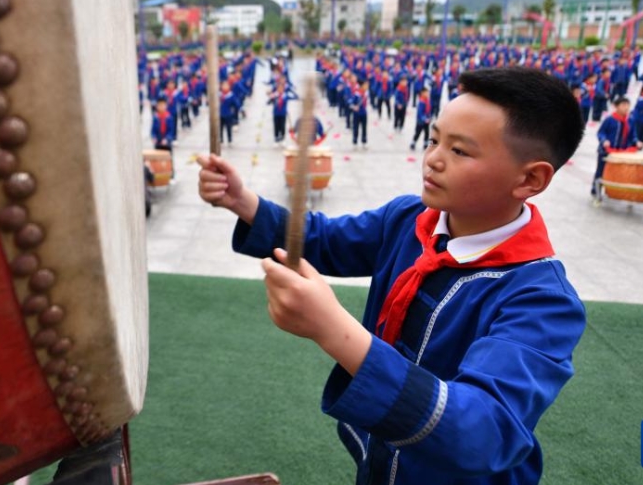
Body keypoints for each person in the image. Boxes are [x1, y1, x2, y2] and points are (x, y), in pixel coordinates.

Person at [196, 67, 586, 485]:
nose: (433, 158)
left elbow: (483, 431)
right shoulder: (408, 218)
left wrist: (334, 329)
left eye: (460, 151)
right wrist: (245, 201)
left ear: (530, 179)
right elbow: (326, 239)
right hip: (384, 458)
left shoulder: (542, 300)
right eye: (434, 139)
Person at [591, 96, 641, 197]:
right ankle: (596, 190)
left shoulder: (630, 120)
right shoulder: (609, 119)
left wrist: (636, 141)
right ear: (616, 106)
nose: (626, 108)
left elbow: (633, 135)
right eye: (623, 105)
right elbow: (601, 133)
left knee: (617, 173)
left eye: (628, 105)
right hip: (606, 152)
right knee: (601, 172)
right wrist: (604, 140)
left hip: (621, 153)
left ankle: (612, 192)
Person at [409, 86, 431, 150]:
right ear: (422, 93)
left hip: (427, 121)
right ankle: (413, 143)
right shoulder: (421, 102)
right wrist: (424, 119)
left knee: (427, 133)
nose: (427, 94)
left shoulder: (428, 101)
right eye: (426, 93)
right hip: (420, 121)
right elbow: (420, 113)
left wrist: (429, 117)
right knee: (418, 133)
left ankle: (425, 144)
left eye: (428, 93)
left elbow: (429, 111)